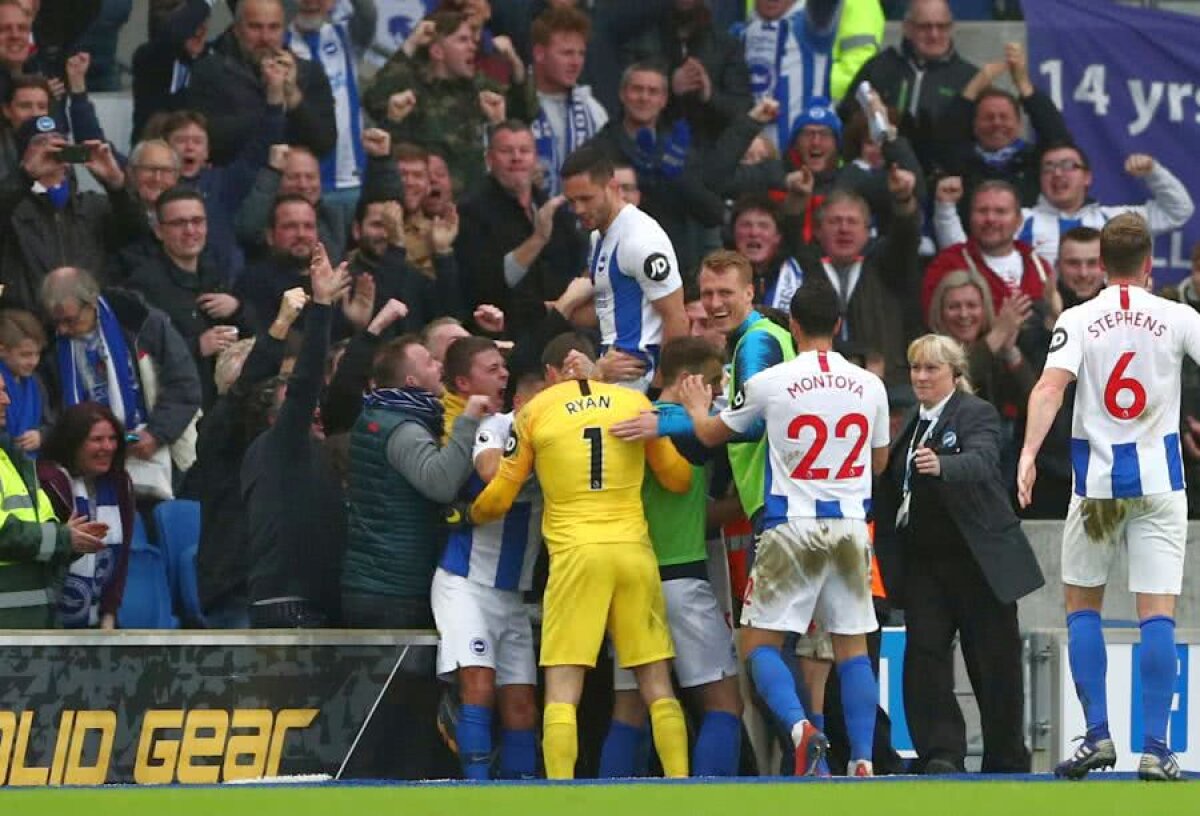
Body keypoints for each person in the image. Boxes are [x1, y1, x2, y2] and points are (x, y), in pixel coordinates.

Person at [675, 281, 890, 777]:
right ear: (838, 325)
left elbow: (711, 435)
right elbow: (878, 463)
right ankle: (860, 759)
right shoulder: (869, 385)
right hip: (852, 525)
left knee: (758, 645)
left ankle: (800, 729)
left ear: (792, 327)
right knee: (851, 646)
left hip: (790, 525)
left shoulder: (773, 382)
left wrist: (692, 406)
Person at [1018, 213, 1196, 782]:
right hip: (1160, 483)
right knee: (1157, 615)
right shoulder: (1177, 316)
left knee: (1082, 608)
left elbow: (1049, 387)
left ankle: (1097, 735)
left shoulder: (1077, 317)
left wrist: (1027, 455)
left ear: (1099, 265)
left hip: (1095, 486)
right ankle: (1156, 748)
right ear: (1148, 264)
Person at [469, 332, 694, 780]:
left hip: (576, 553)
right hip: (632, 550)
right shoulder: (631, 404)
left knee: (563, 682)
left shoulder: (535, 411)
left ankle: (561, 794)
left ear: (553, 374)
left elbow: (499, 496)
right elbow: (678, 479)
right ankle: (680, 785)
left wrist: (468, 514)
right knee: (655, 680)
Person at [879, 334, 1043, 774]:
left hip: (979, 562)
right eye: (915, 368)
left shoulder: (977, 413)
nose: (920, 377)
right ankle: (941, 754)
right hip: (927, 564)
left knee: (994, 664)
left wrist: (944, 466)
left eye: (931, 368)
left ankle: (1005, 759)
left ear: (955, 373)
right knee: (924, 657)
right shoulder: (913, 424)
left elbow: (985, 460)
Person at [601, 336, 743, 778]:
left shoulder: (627, 422)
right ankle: (707, 804)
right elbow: (698, 513)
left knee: (629, 707)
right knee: (724, 703)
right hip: (680, 579)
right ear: (689, 381)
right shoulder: (688, 429)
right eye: (714, 381)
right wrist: (745, 504)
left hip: (628, 584)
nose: (718, 392)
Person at [434, 367, 543, 780]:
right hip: (466, 582)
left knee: (521, 705)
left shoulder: (561, 445)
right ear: (519, 405)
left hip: (512, 594)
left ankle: (520, 797)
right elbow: (490, 473)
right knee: (478, 685)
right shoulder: (496, 426)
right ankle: (476, 794)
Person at [342, 334, 490, 628]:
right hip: (396, 590)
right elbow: (441, 483)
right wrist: (469, 420)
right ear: (411, 380)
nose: (439, 366)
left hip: (372, 582)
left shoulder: (376, 415)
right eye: (430, 362)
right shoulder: (404, 428)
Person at [242, 243, 348, 627]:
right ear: (276, 419)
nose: (316, 410)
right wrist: (321, 308)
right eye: (303, 409)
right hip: (288, 606)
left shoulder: (310, 452)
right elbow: (305, 384)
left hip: (316, 599)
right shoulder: (278, 445)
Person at [41, 266, 203, 488]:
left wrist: (156, 434)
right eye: (56, 322)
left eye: (70, 320)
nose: (62, 330)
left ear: (92, 303)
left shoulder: (141, 321)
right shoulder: (47, 346)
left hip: (146, 449)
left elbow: (184, 384)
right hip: (82, 466)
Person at [934, 144, 1194, 267]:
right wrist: (945, 209)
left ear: (1088, 177)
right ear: (1040, 178)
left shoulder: (1115, 221)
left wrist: (1153, 172)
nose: (1058, 174)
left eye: (1068, 166)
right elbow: (961, 255)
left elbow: (1178, 211)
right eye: (1049, 168)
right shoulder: (1019, 219)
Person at [560, 144, 687, 391]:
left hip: (642, 379)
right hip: (612, 374)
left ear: (613, 187)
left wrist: (660, 390)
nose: (578, 210)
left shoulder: (640, 239)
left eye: (586, 198)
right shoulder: (598, 235)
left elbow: (677, 318)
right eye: (571, 201)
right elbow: (607, 309)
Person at [126, 185, 253, 410]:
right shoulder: (143, 285)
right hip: (175, 408)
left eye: (197, 221)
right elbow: (138, 357)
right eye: (178, 223)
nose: (190, 230)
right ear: (158, 231)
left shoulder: (217, 271)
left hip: (223, 404)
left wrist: (237, 309)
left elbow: (257, 331)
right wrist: (196, 347)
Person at [0, 371, 110, 627]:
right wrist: (63, 537)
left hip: (34, 625)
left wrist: (71, 539)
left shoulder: (17, 462)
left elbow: (48, 527)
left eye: (5, 390)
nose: (6, 400)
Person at [455, 120, 583, 335]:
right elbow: (487, 284)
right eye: (506, 151)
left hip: (563, 326)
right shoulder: (472, 211)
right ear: (489, 159)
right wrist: (538, 238)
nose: (516, 158)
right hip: (504, 331)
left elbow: (576, 265)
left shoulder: (554, 209)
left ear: (535, 158)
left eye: (524, 150)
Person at [187, 0, 336, 165]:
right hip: (232, 182)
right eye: (255, 27)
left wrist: (292, 96)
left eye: (273, 27)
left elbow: (324, 143)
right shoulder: (209, 70)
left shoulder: (309, 72)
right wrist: (271, 107)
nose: (265, 38)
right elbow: (206, 138)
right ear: (236, 30)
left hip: (293, 184)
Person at [837, 0, 976, 175]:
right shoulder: (879, 68)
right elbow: (847, 120)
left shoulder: (968, 78)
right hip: (878, 177)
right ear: (907, 27)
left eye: (942, 26)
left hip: (942, 180)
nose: (934, 34)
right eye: (925, 27)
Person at [37, 401, 135, 629]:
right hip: (50, 624)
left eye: (112, 439)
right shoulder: (49, 481)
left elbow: (121, 559)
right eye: (97, 440)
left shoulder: (120, 484)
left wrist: (109, 615)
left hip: (100, 623)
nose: (108, 447)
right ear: (73, 443)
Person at [527, 5, 607, 197]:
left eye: (581, 54)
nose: (576, 62)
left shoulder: (593, 111)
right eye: (567, 53)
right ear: (539, 53)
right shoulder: (512, 104)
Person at [0, 308, 47, 455]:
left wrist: (41, 435)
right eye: (25, 355)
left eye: (37, 354)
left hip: (33, 464)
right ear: (2, 351)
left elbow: (50, 421)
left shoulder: (36, 382)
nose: (33, 362)